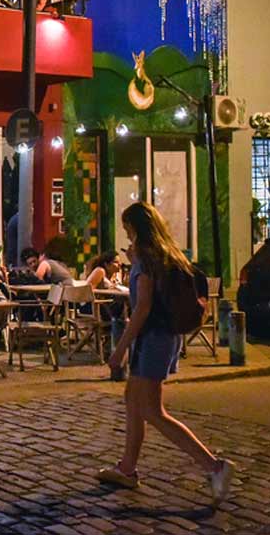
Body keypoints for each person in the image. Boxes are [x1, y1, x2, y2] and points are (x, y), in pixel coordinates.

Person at [100, 201, 235, 506]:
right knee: (133, 400)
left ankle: (214, 467)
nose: (125, 234)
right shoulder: (164, 254)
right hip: (160, 337)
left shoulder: (147, 259)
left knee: (152, 410)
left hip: (154, 339)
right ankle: (127, 468)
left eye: (127, 228)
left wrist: (119, 349)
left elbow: (143, 307)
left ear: (136, 228)